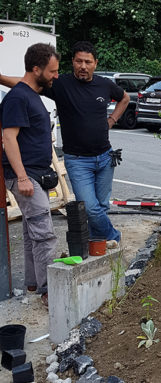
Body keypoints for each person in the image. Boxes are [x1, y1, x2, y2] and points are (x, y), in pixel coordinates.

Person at [1, 41, 130, 244]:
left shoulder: (105, 84)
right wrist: (0, 78)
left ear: (95, 63)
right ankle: (114, 237)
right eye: (78, 61)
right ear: (73, 62)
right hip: (78, 161)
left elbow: (125, 98)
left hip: (105, 157)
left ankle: (98, 246)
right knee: (89, 207)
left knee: (102, 207)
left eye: (88, 62)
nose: (83, 66)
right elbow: (23, 84)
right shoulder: (60, 84)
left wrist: (112, 120)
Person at [1, 43, 60, 305]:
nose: (55, 76)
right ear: (36, 69)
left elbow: (20, 83)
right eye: (52, 71)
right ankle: (50, 291)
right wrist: (22, 178)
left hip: (35, 174)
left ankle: (34, 285)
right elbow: (9, 138)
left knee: (31, 231)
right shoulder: (17, 98)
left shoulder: (28, 92)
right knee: (44, 233)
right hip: (26, 177)